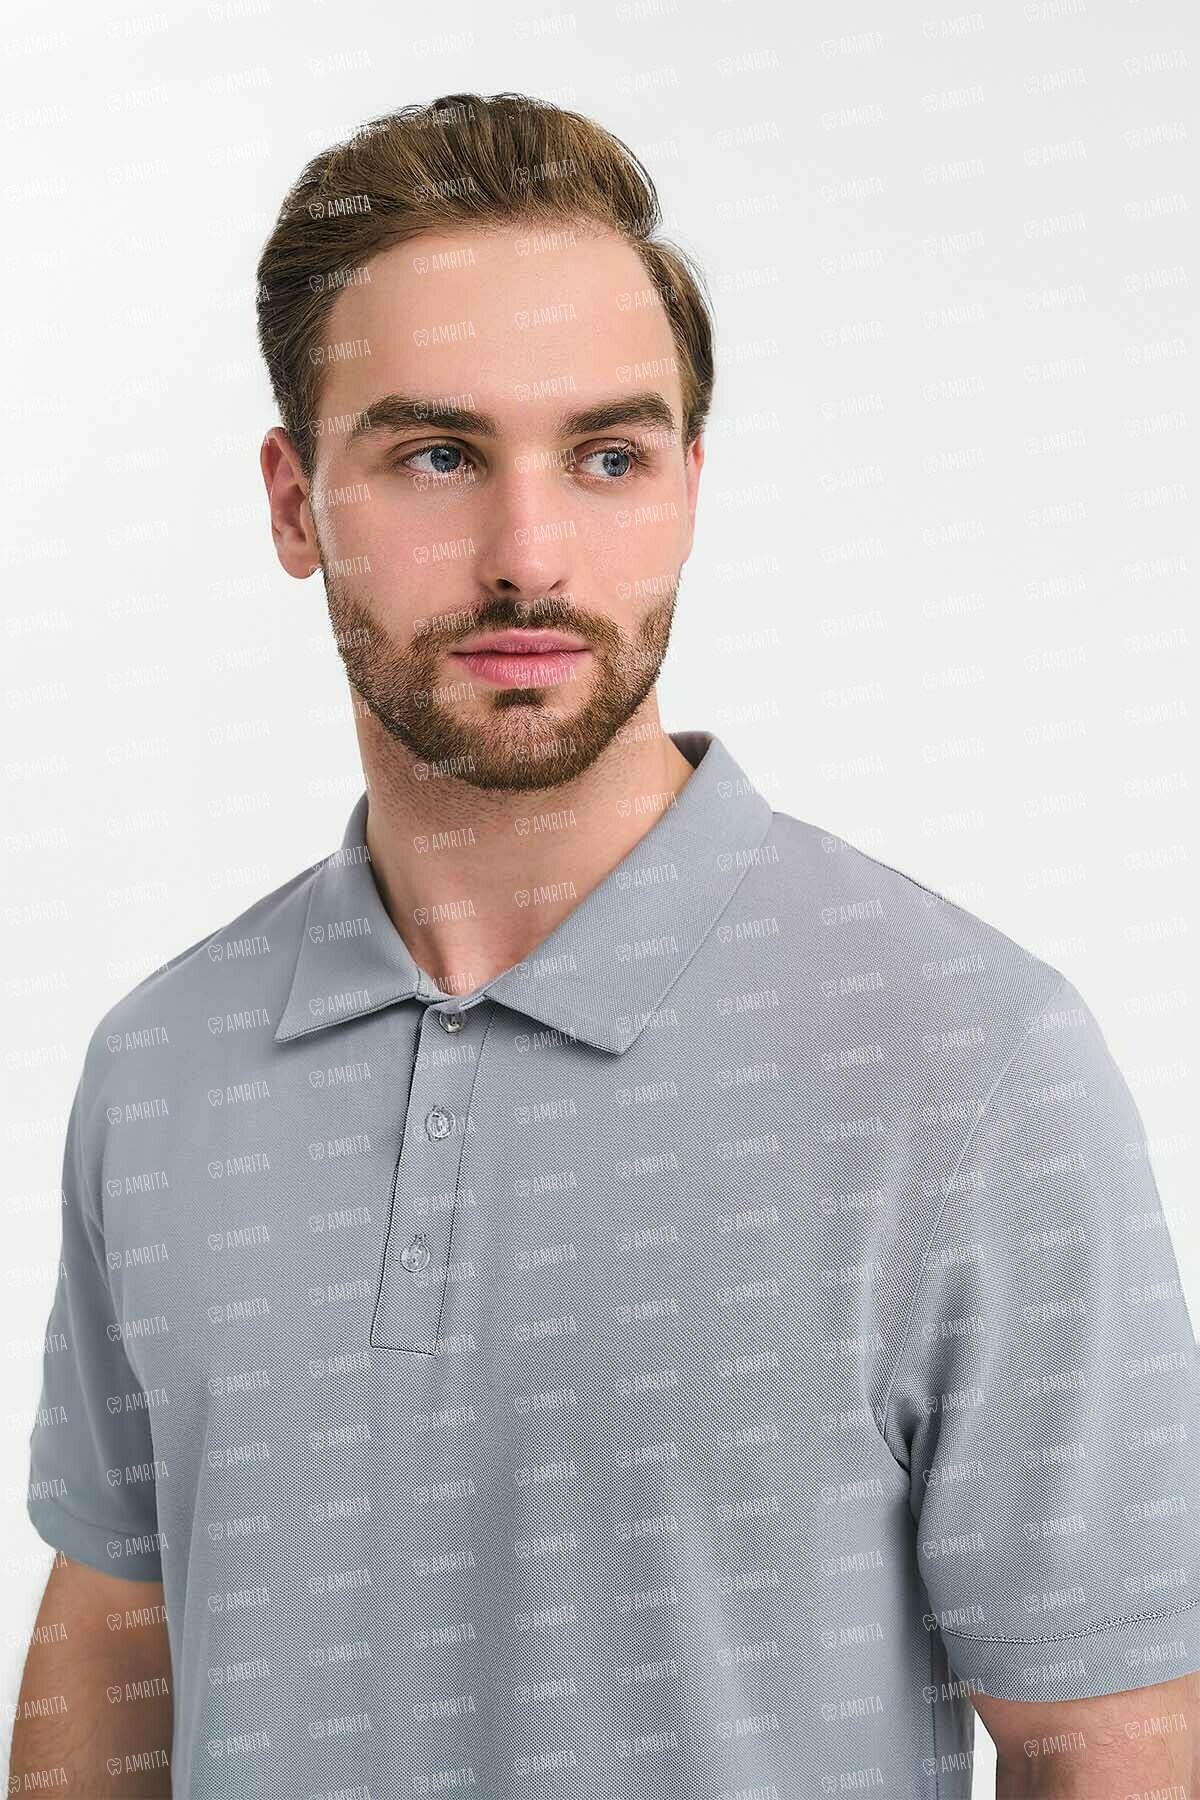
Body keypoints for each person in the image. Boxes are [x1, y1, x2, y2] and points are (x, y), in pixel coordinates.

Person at [16, 92, 1197, 1800]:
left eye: (608, 456)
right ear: (295, 505)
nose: (531, 558)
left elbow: (1116, 1745)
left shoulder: (967, 1060)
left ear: (690, 491)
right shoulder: (160, 1067)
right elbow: (119, 1638)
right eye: (437, 455)